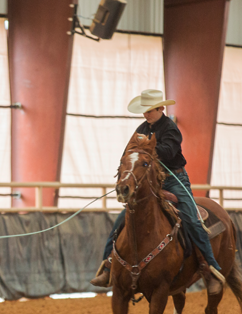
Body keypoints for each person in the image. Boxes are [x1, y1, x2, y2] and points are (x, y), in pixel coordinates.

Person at [90, 89, 225, 295]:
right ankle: (108, 266)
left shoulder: (171, 128)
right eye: (144, 111)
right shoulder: (141, 129)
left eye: (150, 110)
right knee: (122, 220)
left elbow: (168, 151)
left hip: (174, 180)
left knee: (191, 219)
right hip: (149, 181)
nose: (146, 114)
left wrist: (144, 150)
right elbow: (128, 153)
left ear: (161, 108)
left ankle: (212, 269)